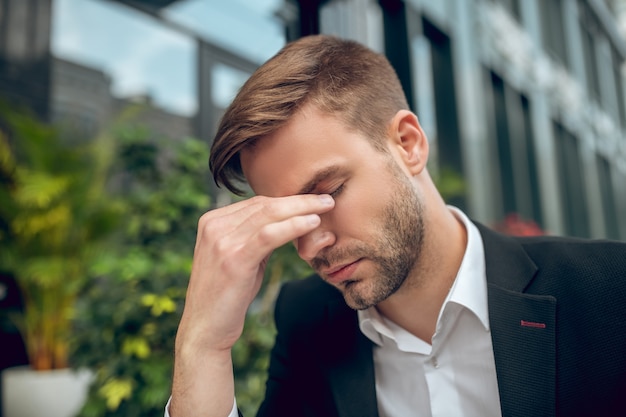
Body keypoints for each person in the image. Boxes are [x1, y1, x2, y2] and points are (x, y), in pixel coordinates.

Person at [166, 35, 626, 417]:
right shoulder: (308, 321)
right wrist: (203, 344)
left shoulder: (608, 291)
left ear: (407, 144)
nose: (309, 245)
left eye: (328, 192)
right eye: (287, 217)